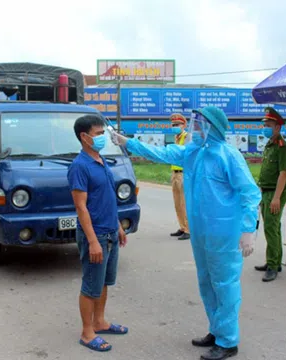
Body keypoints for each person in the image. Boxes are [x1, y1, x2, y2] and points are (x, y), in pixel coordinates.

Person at [111, 106, 261, 360]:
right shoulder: (194, 153)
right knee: (207, 283)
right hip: (201, 232)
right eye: (196, 124)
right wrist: (129, 143)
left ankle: (228, 341)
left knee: (224, 285)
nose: (196, 129)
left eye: (201, 125)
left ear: (213, 128)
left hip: (225, 233)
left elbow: (250, 193)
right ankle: (216, 330)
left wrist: (248, 229)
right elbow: (163, 152)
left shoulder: (228, 155)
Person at [67, 114, 129, 352]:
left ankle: (100, 321)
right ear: (84, 137)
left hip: (110, 231)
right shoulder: (80, 166)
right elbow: (81, 207)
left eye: (103, 133)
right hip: (97, 236)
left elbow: (107, 198)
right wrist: (93, 241)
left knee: (103, 282)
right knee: (91, 285)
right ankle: (86, 332)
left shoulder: (100, 160)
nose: (103, 137)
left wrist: (118, 226)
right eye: (98, 134)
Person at [255, 107, 286, 282]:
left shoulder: (282, 147)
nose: (265, 127)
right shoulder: (270, 145)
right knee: (273, 228)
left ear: (277, 127)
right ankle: (275, 261)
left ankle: (272, 266)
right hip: (266, 192)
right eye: (265, 125)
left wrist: (276, 197)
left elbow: (283, 174)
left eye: (268, 125)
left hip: (274, 193)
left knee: (271, 229)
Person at [169, 113, 190, 240]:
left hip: (183, 173)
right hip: (175, 173)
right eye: (173, 125)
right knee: (177, 203)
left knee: (184, 203)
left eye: (177, 124)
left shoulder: (188, 137)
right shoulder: (176, 138)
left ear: (184, 125)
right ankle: (182, 227)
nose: (175, 126)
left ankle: (188, 229)